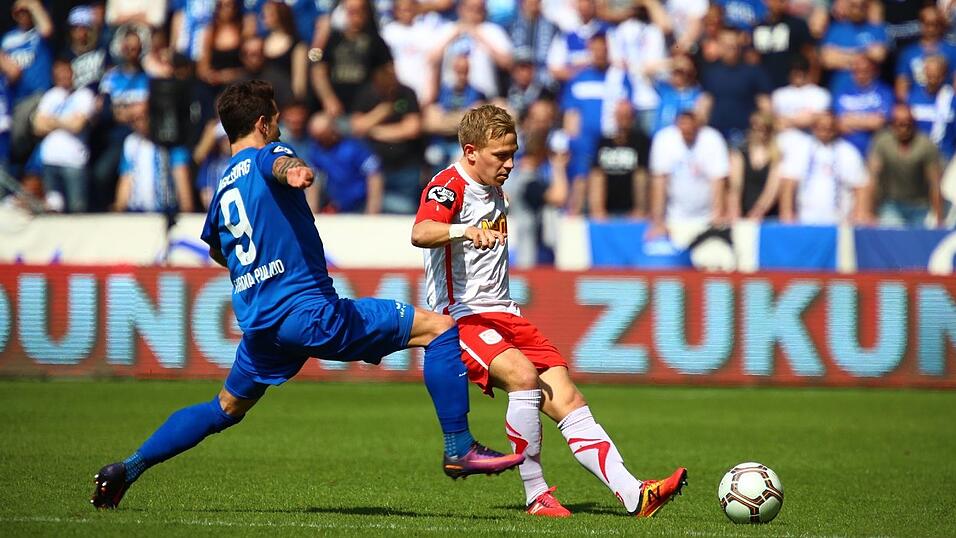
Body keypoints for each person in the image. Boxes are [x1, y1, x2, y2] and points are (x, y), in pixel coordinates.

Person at [90, 80, 523, 510]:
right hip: (310, 313)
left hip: (261, 326)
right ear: (262, 123)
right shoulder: (269, 154)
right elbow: (280, 163)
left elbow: (220, 252)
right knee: (440, 328)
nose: (278, 127)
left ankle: (126, 468)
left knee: (224, 407)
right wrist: (294, 170)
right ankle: (459, 446)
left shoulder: (222, 188)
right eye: (275, 119)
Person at [411, 103, 687, 518]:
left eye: (513, 153)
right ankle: (537, 495)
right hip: (462, 316)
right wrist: (462, 230)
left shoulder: (494, 186)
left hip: (506, 312)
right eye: (500, 155)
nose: (509, 163)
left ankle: (636, 495)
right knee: (524, 378)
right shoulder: (448, 185)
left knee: (568, 398)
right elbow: (420, 232)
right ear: (470, 152)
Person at [779, 110, 871, 225]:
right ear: (813, 128)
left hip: (839, 221)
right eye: (821, 127)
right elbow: (789, 182)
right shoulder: (800, 148)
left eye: (829, 128)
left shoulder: (848, 152)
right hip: (805, 219)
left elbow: (860, 186)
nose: (825, 132)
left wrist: (859, 214)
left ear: (835, 128)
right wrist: (787, 213)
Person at [867, 104, 943, 228]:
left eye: (907, 123)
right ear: (892, 124)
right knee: (893, 240)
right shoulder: (881, 143)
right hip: (890, 204)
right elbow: (872, 179)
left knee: (917, 244)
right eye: (899, 124)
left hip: (920, 205)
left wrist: (939, 217)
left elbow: (935, 183)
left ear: (913, 123)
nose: (904, 128)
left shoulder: (926, 145)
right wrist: (870, 212)